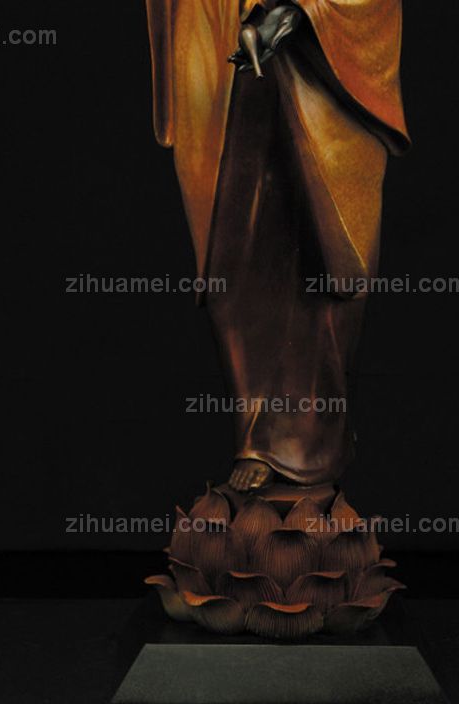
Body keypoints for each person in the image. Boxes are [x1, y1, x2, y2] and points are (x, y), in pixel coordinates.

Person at [146, 0, 409, 492]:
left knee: (319, 239)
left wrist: (296, 13)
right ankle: (257, 435)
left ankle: (307, 440)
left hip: (309, 61)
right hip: (224, 42)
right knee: (235, 244)